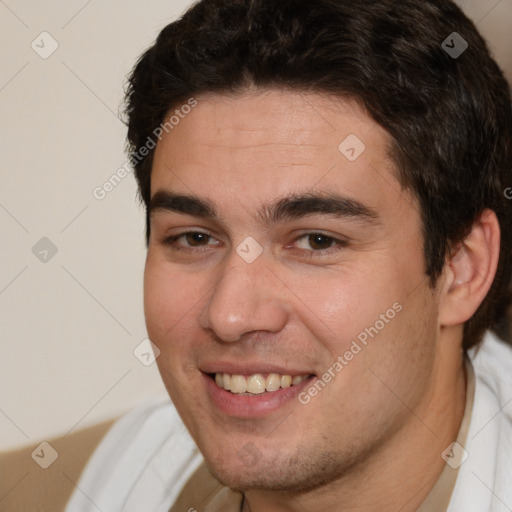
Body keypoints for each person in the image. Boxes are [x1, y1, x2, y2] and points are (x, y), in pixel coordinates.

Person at [65, 0, 512, 510]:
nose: (230, 315)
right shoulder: (122, 476)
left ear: (461, 269)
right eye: (195, 238)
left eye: (316, 241)